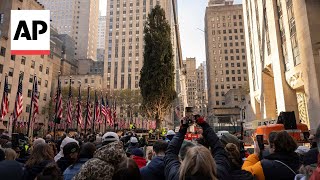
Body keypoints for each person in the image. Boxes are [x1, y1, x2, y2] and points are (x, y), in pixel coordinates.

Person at [164, 116, 230, 180]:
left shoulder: (177, 176)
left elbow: (170, 153)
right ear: (210, 161)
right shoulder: (219, 174)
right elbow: (219, 149)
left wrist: (182, 130)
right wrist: (204, 125)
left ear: (186, 162)